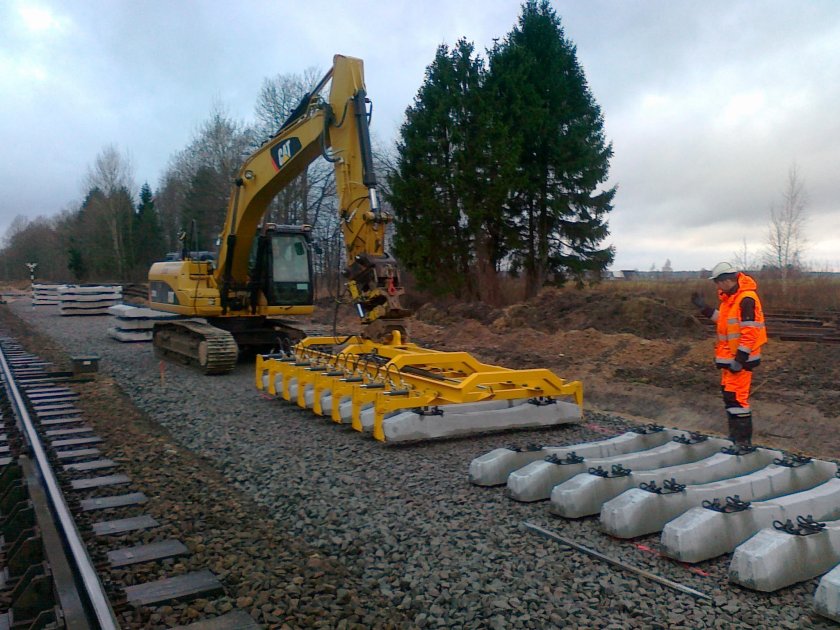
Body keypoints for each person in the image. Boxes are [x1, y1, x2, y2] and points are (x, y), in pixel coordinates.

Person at [691, 262, 767, 448]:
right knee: (730, 398)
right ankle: (736, 440)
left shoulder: (746, 299)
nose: (717, 287)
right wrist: (704, 309)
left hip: (740, 361)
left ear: (726, 281)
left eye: (717, 283)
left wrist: (740, 359)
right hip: (731, 360)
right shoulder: (731, 300)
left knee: (737, 399)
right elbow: (723, 321)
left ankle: (742, 442)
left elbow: (750, 332)